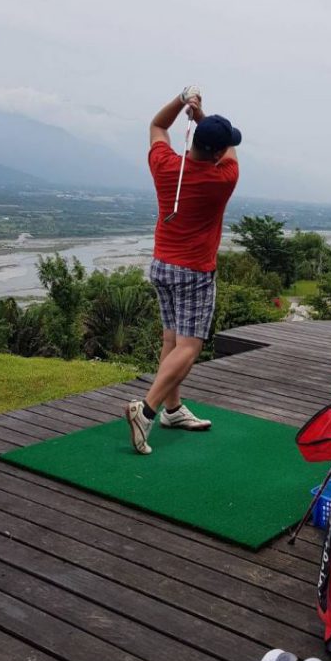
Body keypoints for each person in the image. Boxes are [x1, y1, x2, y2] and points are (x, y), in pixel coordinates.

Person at [125, 86, 242, 454]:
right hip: (194, 272)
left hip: (162, 266)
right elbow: (231, 152)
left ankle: (172, 410)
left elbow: (157, 125)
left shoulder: (165, 166)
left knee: (171, 341)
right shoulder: (222, 179)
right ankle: (146, 409)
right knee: (189, 347)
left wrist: (181, 102)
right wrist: (201, 116)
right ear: (218, 151)